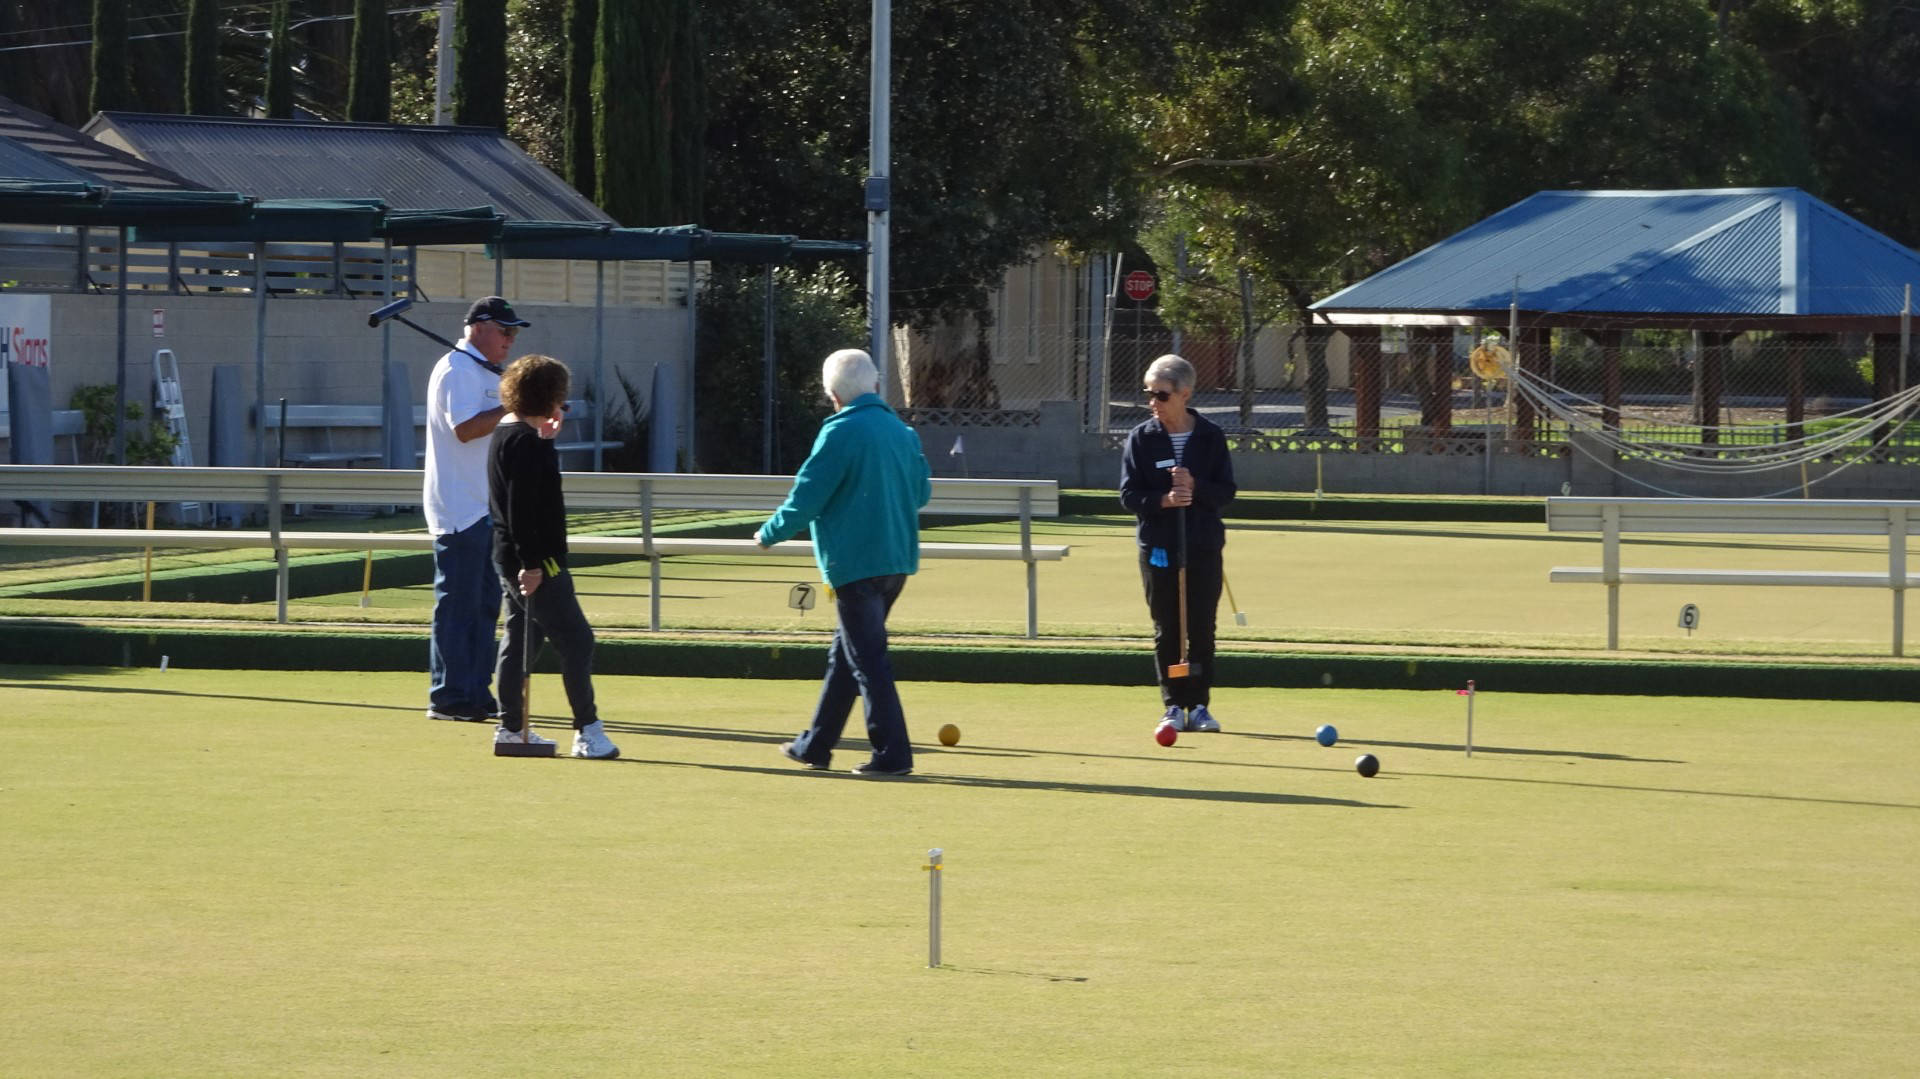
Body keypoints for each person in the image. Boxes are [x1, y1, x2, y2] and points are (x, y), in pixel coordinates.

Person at [760, 348, 931, 776]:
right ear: (875, 385)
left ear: (832, 393)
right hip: (896, 563)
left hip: (855, 565)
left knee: (867, 659)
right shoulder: (901, 431)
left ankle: (893, 755)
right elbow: (922, 494)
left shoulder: (839, 433)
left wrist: (770, 533)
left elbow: (807, 496)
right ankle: (815, 745)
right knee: (848, 655)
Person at [487, 353, 620, 760]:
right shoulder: (524, 442)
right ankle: (588, 730)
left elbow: (531, 489)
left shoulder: (510, 434)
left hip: (514, 555)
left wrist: (548, 440)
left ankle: (511, 727)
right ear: (549, 394)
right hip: (537, 559)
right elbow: (523, 508)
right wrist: (531, 564)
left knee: (521, 639)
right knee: (577, 640)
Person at [1119, 353, 1237, 733]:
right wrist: (1164, 500)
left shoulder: (1210, 436)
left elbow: (1227, 492)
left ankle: (1199, 705)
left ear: (1185, 393)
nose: (1153, 401)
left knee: (1201, 627)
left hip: (1203, 545)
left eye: (1161, 394)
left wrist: (1195, 487)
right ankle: (1172, 704)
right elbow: (1128, 495)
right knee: (1167, 627)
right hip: (1158, 546)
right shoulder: (1142, 438)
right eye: (1148, 394)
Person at [423, 296, 524, 723]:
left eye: (513, 333)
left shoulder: (482, 371)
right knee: (458, 603)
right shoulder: (457, 370)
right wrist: (513, 403)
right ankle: (448, 696)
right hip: (460, 507)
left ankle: (477, 691)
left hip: (486, 506)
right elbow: (465, 429)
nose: (510, 340)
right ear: (479, 327)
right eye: (505, 331)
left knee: (484, 604)